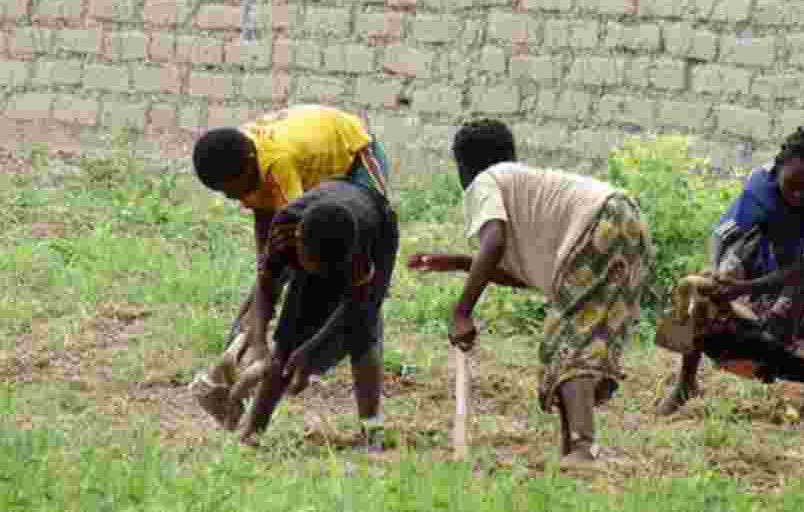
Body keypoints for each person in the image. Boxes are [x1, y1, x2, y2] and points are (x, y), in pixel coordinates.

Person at [407, 118, 654, 469]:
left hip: (597, 222)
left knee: (564, 342)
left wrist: (463, 311)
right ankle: (573, 451)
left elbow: (493, 241)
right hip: (627, 220)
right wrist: (461, 262)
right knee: (578, 337)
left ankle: (583, 448)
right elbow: (523, 275)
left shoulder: (485, 181)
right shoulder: (525, 187)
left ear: (463, 167)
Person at [655, 127, 804, 424]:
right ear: (780, 167)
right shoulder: (760, 186)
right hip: (768, 253)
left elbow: (802, 273)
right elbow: (725, 234)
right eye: (793, 185)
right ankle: (686, 383)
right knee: (706, 295)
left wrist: (745, 287)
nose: (799, 195)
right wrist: (718, 277)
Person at [191, 105, 390, 344]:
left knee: (362, 237)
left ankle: (365, 332)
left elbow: (294, 241)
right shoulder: (236, 155)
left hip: (355, 151)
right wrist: (263, 278)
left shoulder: (277, 164)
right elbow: (265, 225)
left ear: (250, 163)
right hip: (313, 160)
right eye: (223, 192)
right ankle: (249, 337)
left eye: (231, 188)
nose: (231, 196)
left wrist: (262, 306)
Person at [237, 177, 399, 448]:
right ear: (299, 242)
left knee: (363, 332)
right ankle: (252, 432)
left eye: (328, 270)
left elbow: (357, 306)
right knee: (287, 338)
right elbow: (266, 288)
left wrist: (312, 349)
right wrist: (258, 343)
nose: (323, 276)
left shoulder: (360, 243)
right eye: (315, 267)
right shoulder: (285, 230)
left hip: (377, 220)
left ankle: (371, 432)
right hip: (326, 225)